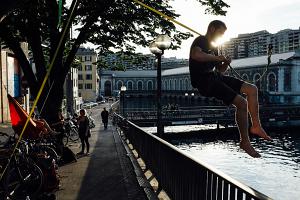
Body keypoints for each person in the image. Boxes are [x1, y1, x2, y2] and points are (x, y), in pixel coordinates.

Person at [189, 20, 272, 158]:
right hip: (204, 81)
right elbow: (196, 55)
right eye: (220, 33)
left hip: (215, 77)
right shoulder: (201, 41)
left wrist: (225, 63)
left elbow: (220, 71)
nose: (221, 36)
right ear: (212, 28)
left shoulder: (214, 47)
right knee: (241, 103)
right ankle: (245, 142)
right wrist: (216, 57)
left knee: (252, 89)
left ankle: (256, 126)